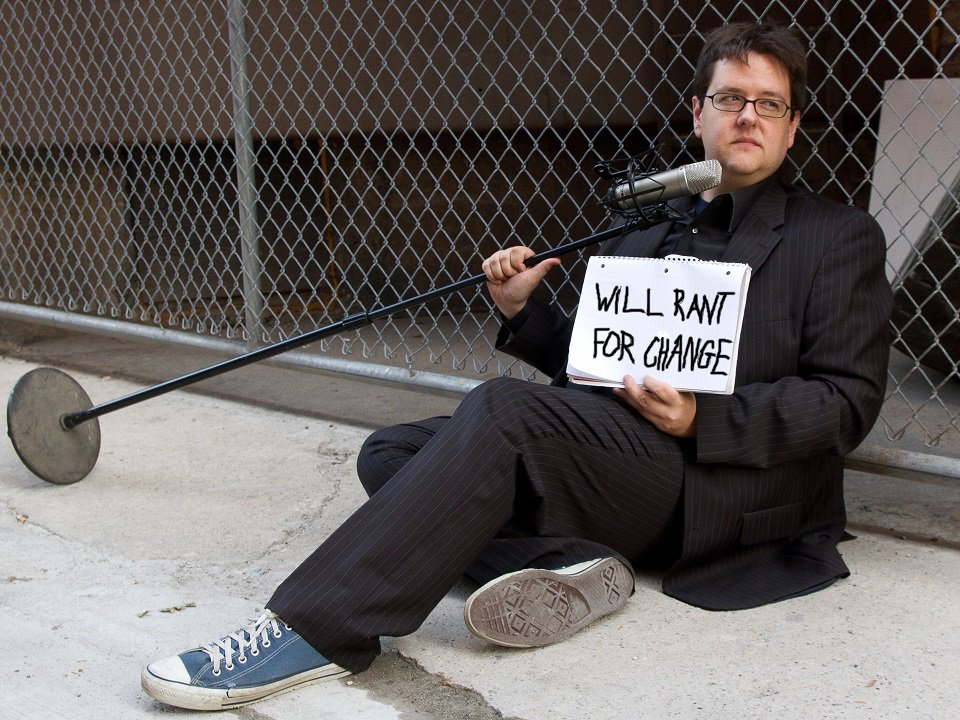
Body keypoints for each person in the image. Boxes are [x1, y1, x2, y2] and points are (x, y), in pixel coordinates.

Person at [141, 21, 891, 711]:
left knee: (499, 411)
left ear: (792, 127)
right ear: (698, 113)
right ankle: (575, 571)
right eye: (732, 98)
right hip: (620, 458)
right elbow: (595, 364)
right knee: (393, 452)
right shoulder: (644, 226)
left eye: (770, 103)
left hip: (714, 482)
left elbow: (846, 403)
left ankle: (312, 630)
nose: (749, 116)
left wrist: (703, 416)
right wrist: (522, 313)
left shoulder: (837, 237)